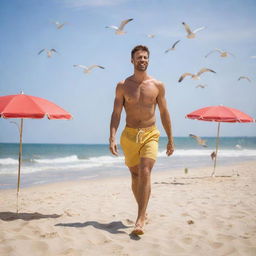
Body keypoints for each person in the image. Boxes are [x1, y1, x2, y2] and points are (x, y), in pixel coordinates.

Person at [109, 45, 174, 235]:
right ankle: (143, 212)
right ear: (132, 60)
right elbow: (116, 113)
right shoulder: (122, 85)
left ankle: (140, 219)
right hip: (129, 136)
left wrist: (170, 138)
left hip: (150, 134)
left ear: (149, 60)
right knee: (135, 175)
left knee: (145, 171)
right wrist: (112, 136)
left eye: (145, 57)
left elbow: (164, 112)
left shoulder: (157, 86)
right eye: (139, 57)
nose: (142, 60)